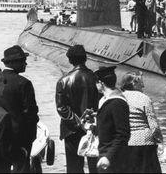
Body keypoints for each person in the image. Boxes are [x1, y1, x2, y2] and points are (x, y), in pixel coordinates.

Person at [56, 45, 99, 173]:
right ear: (86, 58)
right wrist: (87, 123)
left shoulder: (63, 81)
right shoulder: (96, 79)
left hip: (71, 130)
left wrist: (78, 123)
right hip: (94, 127)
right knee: (95, 167)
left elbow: (61, 108)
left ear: (70, 60)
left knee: (74, 167)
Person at [0, 45, 39, 173]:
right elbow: (30, 114)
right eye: (22, 60)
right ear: (14, 63)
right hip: (20, 137)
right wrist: (31, 137)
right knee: (21, 168)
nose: (25, 63)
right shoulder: (24, 83)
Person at [120, 71, 163, 173]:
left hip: (126, 142)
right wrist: (160, 141)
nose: (143, 86)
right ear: (133, 83)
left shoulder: (119, 97)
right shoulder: (144, 98)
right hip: (145, 143)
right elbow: (154, 125)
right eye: (141, 83)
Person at [94, 66, 131, 173]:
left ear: (100, 83)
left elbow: (123, 134)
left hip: (113, 159)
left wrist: (108, 157)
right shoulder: (104, 100)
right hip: (104, 154)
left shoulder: (117, 103)